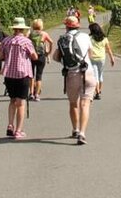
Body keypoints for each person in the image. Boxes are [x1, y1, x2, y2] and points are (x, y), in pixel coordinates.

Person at [53, 15, 96, 145]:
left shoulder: (63, 39)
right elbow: (91, 54)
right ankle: (82, 133)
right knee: (85, 104)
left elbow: (55, 57)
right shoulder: (85, 37)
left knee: (73, 104)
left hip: (72, 74)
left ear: (66, 26)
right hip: (88, 73)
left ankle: (75, 129)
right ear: (78, 25)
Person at [0, 17, 38, 139]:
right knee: (21, 103)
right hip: (22, 74)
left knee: (12, 100)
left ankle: (10, 125)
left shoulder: (6, 41)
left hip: (9, 74)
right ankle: (18, 130)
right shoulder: (26, 41)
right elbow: (34, 56)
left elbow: (0, 56)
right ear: (23, 29)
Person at [88, 22, 115, 100]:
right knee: (100, 75)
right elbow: (108, 49)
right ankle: (99, 91)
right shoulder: (104, 38)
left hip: (93, 59)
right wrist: (112, 58)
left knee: (95, 76)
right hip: (102, 59)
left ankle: (97, 93)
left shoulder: (89, 38)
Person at [28, 19, 53, 101]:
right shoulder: (44, 34)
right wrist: (49, 52)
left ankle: (31, 93)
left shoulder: (30, 34)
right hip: (41, 56)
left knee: (31, 75)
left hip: (32, 56)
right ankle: (37, 94)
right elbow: (51, 42)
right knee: (39, 75)